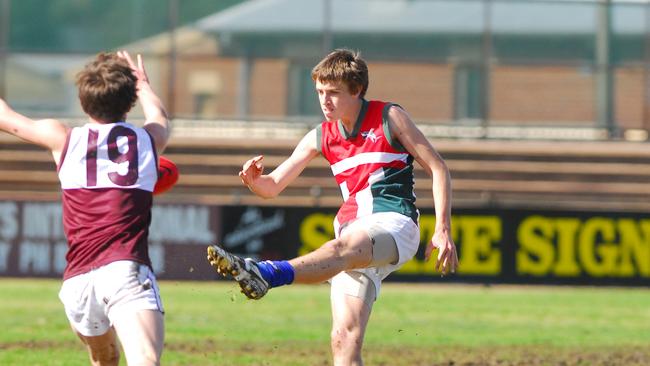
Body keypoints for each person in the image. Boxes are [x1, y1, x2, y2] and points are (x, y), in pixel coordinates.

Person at [207, 48, 458, 365]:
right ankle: (267, 275)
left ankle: (267, 274)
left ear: (358, 90)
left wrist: (442, 229)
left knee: (343, 248)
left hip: (394, 225)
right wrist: (254, 181)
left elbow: (438, 168)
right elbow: (273, 186)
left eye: (334, 93)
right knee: (343, 340)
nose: (325, 101)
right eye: (320, 92)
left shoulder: (389, 117)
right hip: (354, 231)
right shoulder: (320, 136)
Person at [0, 51, 170, 365]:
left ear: (83, 100)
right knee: (145, 358)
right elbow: (159, 116)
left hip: (78, 282)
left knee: (104, 359)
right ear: (129, 101)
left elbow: (5, 118)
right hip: (124, 270)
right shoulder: (149, 139)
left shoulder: (63, 139)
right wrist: (143, 84)